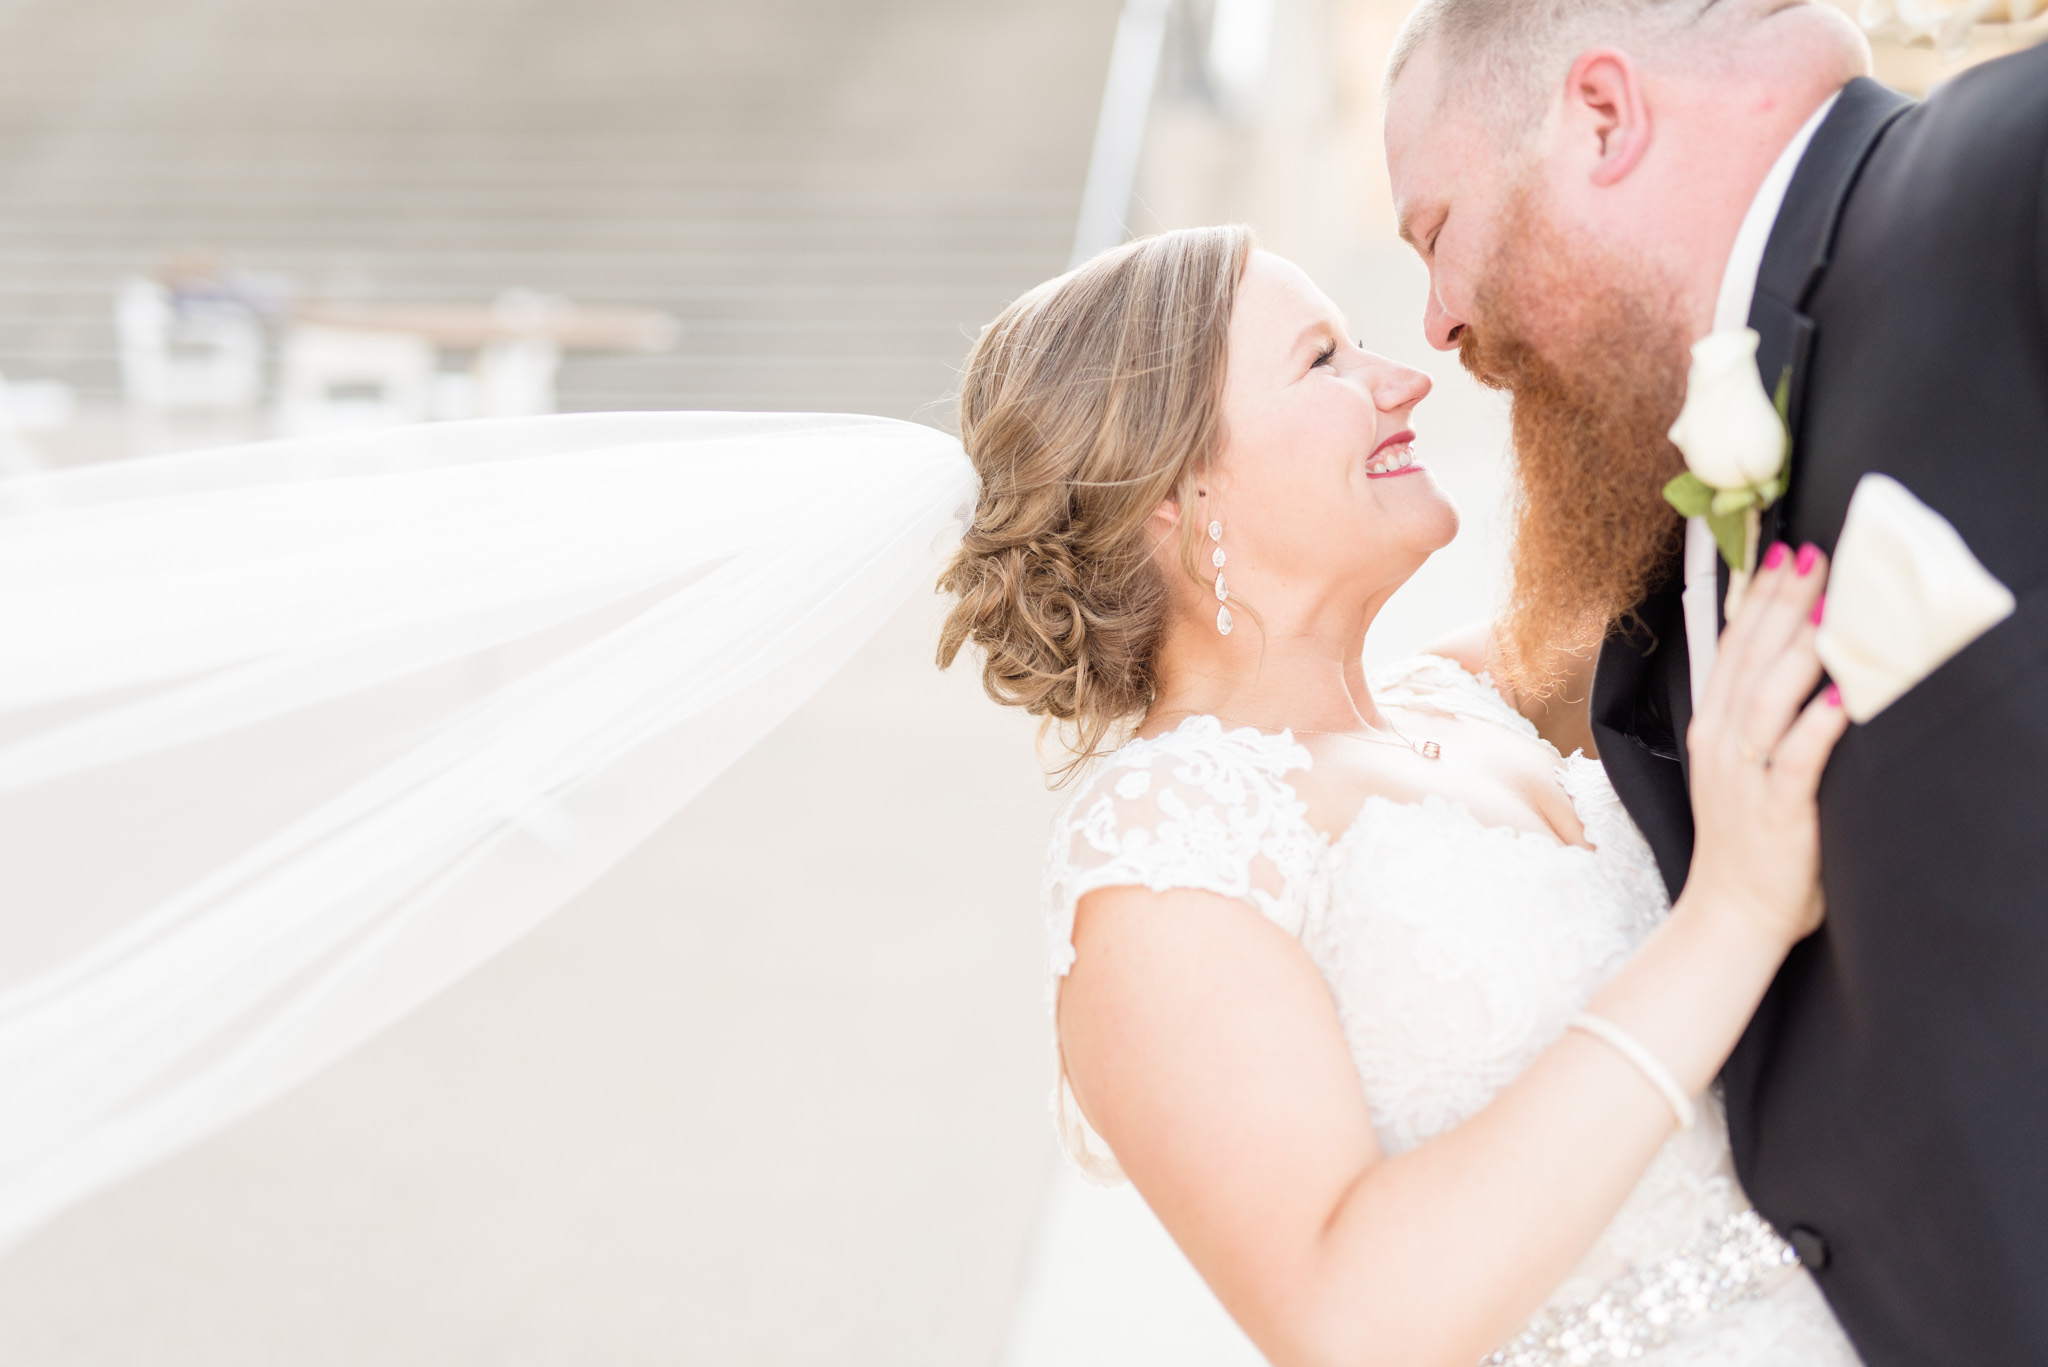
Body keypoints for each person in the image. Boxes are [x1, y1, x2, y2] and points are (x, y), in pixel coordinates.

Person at [938, 225, 1857, 1365]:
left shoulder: (1481, 696)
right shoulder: (1159, 848)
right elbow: (1346, 1322)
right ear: (1175, 486)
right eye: (1322, 360)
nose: (1402, 379)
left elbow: (1704, 536)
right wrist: (1730, 919)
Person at [1381, 3, 2048, 1362]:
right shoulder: (1656, 571)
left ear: (1605, 119)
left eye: (1435, 233)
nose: (1437, 323)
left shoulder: (2009, 181)